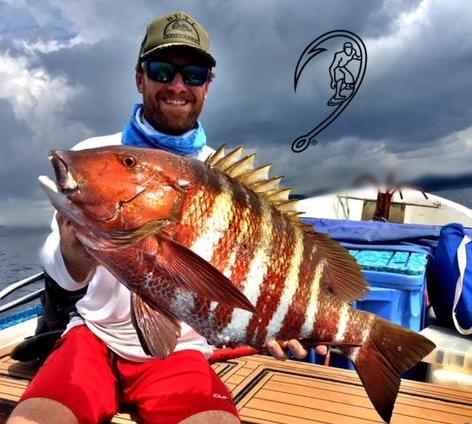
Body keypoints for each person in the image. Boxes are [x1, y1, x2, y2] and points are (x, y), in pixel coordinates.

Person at [7, 11, 324, 424]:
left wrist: (281, 319)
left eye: (193, 74)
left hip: (180, 351)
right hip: (92, 338)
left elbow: (254, 279)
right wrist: (75, 249)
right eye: (162, 70)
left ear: (208, 86)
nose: (177, 86)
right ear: (140, 78)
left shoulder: (223, 179)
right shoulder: (96, 154)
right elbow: (65, 278)